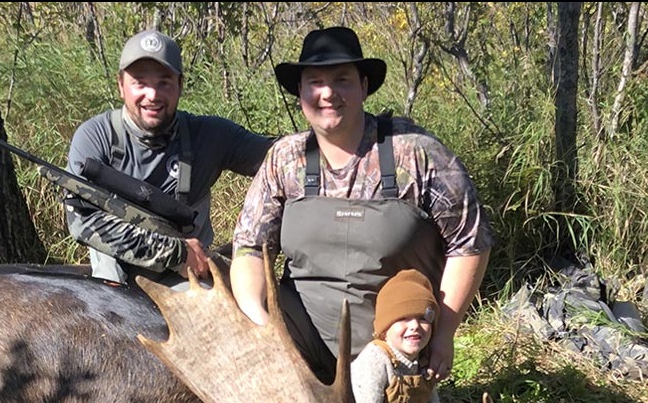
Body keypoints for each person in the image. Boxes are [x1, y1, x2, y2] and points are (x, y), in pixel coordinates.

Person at [231, 26, 491, 384]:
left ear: (364, 86)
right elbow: (248, 247)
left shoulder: (416, 153)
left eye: (342, 80)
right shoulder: (284, 158)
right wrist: (259, 323)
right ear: (301, 92)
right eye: (315, 82)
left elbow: (470, 243)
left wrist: (444, 332)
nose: (328, 93)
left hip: (395, 351)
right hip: (300, 347)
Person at [65, 29, 275, 289]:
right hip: (114, 281)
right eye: (139, 82)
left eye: (164, 82)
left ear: (180, 85)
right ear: (121, 85)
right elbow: (82, 221)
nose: (152, 95)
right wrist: (174, 253)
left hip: (189, 281)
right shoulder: (95, 136)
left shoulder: (210, 136)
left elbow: (281, 158)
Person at [351, 269, 443, 403]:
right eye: (403, 318)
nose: (415, 325)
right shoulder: (375, 359)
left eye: (423, 318)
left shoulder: (423, 362)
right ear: (385, 330)